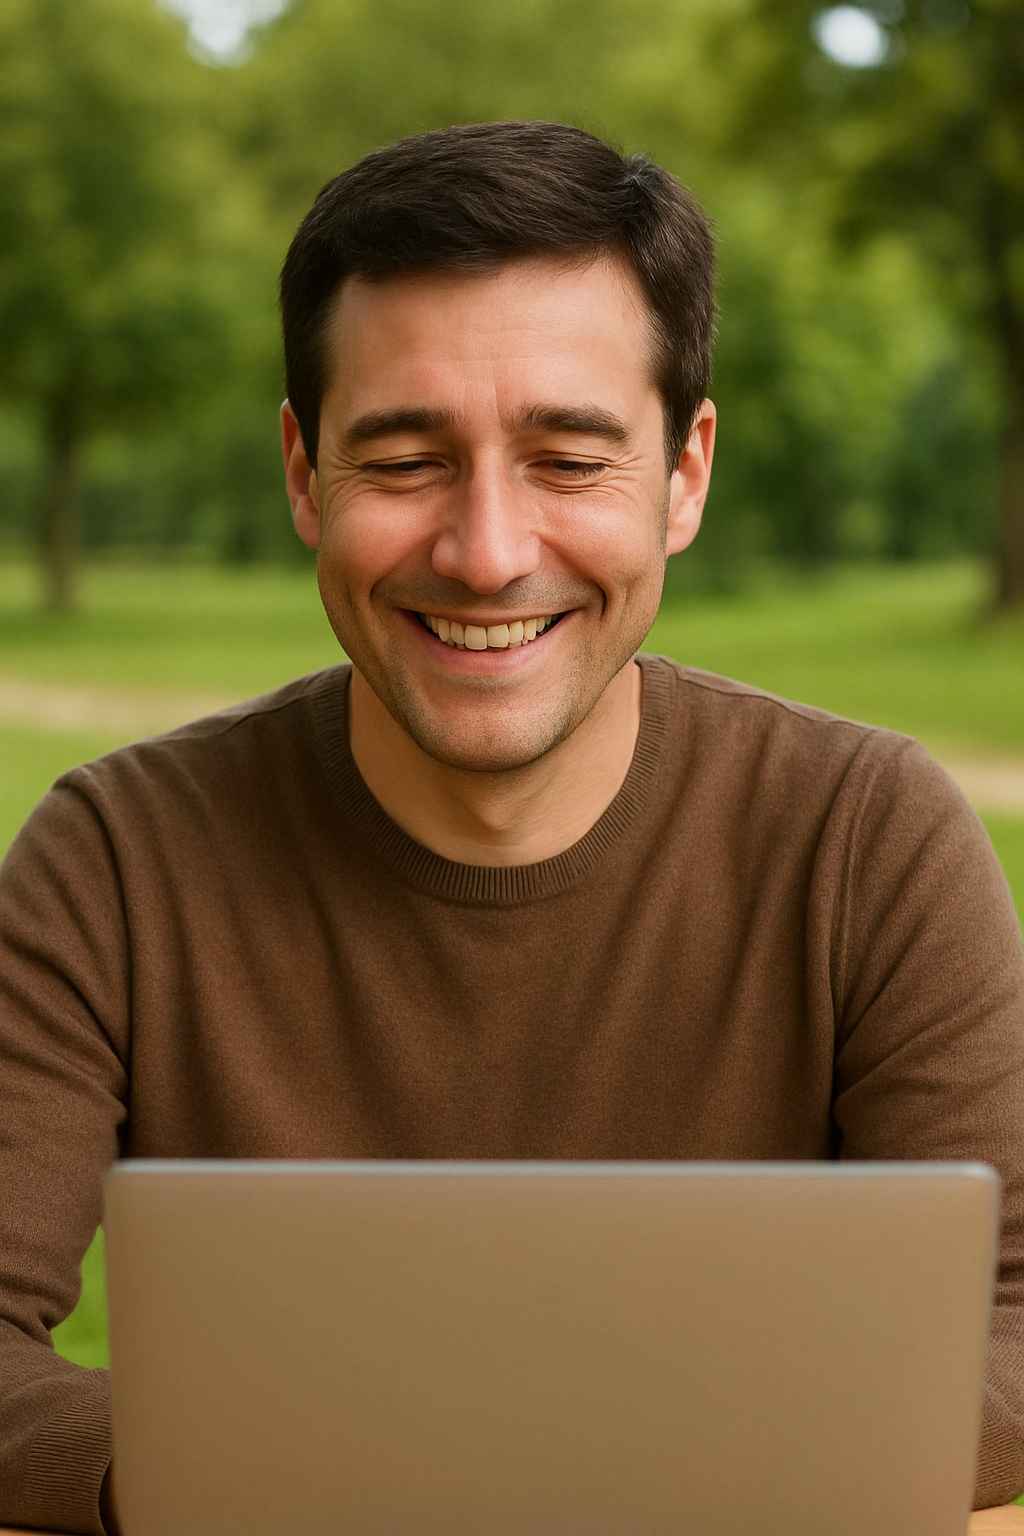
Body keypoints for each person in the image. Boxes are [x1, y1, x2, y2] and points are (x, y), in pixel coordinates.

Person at [1, 120, 1022, 1536]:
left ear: (686, 474)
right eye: (406, 457)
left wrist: (469, 1447)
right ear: (304, 473)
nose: (486, 551)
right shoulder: (111, 862)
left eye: (568, 458)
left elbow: (1015, 1321)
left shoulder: (870, 838)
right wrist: (303, 1459)